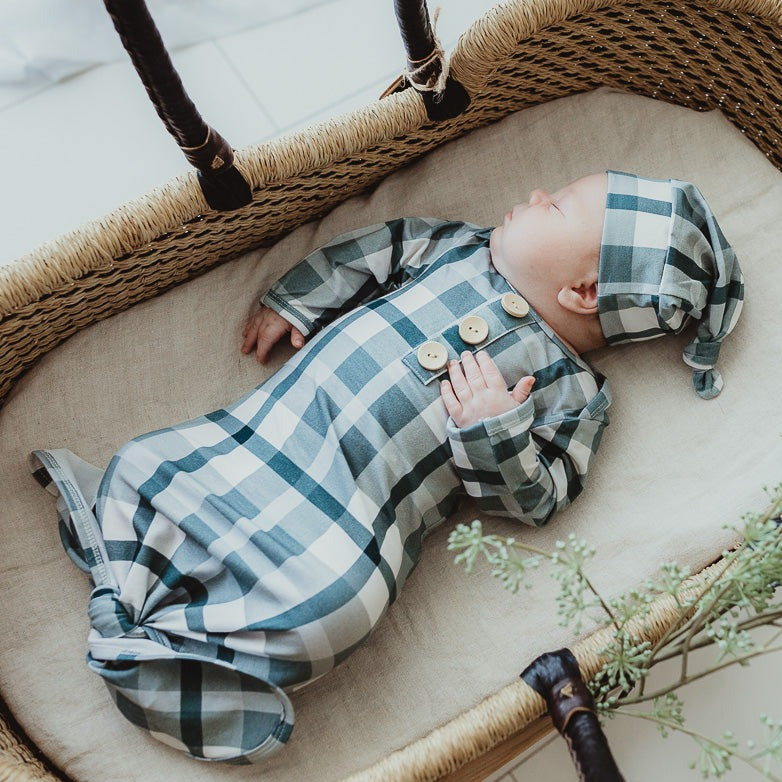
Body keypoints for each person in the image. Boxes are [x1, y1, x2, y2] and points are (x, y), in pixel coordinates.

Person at [30, 170, 743, 763]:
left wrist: (493, 431)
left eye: (552, 206)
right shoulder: (455, 248)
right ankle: (127, 578)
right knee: (150, 461)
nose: (530, 196)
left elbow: (541, 499)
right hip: (266, 437)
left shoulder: (573, 394)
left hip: (349, 523)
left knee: (338, 610)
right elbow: (371, 252)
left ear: (583, 292)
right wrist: (296, 299)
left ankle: (187, 658)